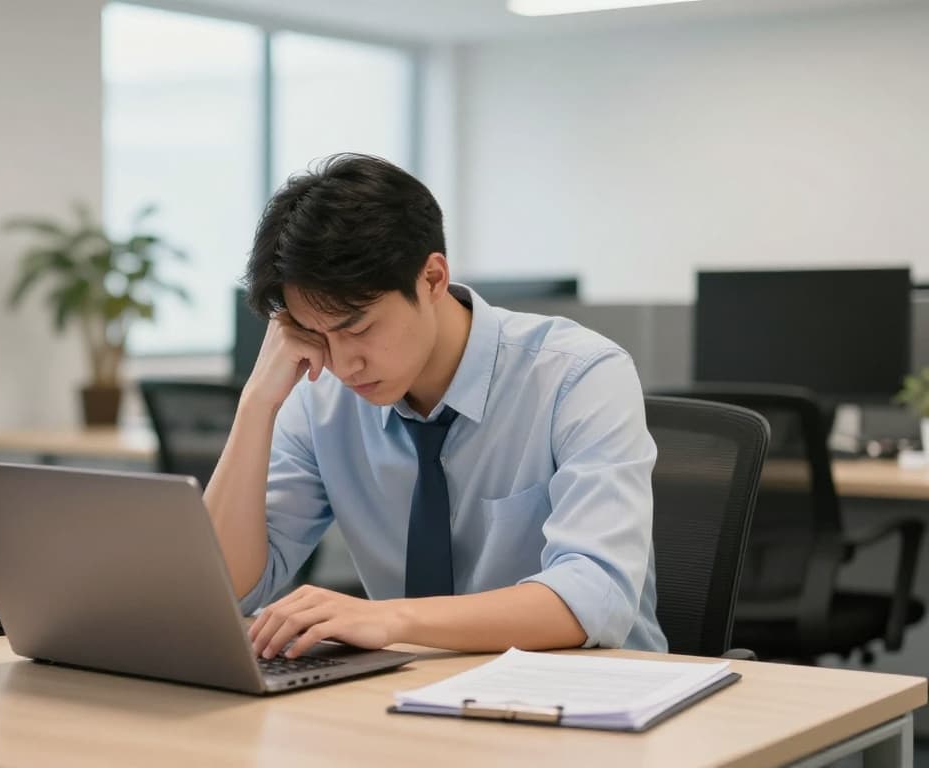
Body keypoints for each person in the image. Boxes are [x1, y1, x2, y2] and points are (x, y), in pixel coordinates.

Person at [203, 153, 666, 660]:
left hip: (593, 698)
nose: (343, 364)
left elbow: (594, 595)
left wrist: (391, 617)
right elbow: (228, 590)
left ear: (432, 278)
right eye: (316, 335)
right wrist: (256, 406)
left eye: (357, 328)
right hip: (413, 698)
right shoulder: (320, 398)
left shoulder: (577, 376)